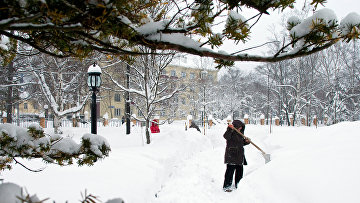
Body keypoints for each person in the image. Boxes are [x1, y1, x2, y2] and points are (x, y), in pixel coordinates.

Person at [223, 120, 251, 192]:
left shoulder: (240, 134)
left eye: (241, 127)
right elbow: (226, 136)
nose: (240, 129)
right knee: (230, 171)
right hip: (231, 155)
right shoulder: (230, 132)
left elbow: (240, 143)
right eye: (239, 127)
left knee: (239, 171)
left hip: (239, 155)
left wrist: (246, 142)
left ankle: (238, 185)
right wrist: (229, 129)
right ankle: (227, 186)